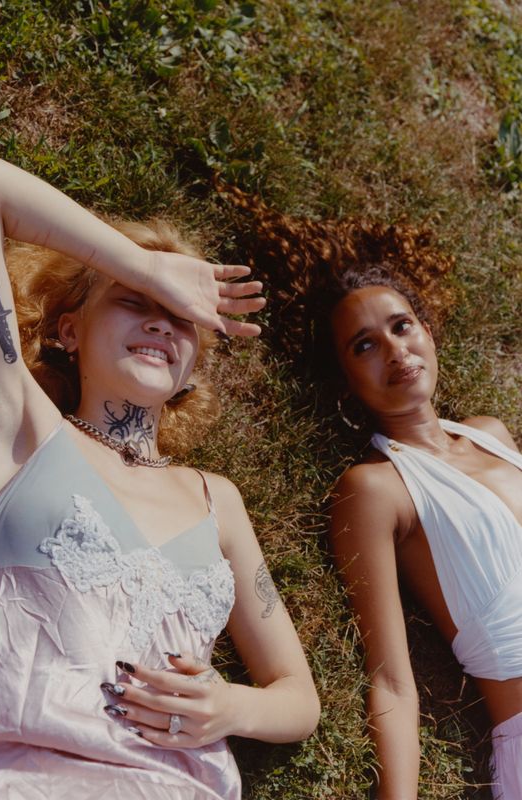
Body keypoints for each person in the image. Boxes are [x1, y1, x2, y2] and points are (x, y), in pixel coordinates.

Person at [0, 149, 320, 800]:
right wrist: (145, 264)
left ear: (190, 371)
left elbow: (298, 696)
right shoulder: (18, 426)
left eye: (182, 319)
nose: (161, 320)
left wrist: (231, 707)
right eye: (134, 302)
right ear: (69, 331)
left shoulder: (216, 501)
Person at [216, 185, 522, 799]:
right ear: (345, 382)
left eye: (401, 326)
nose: (395, 351)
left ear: (427, 332)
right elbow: (391, 680)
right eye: (365, 346)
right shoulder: (375, 490)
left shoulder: (492, 435)